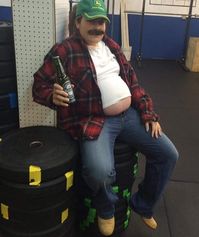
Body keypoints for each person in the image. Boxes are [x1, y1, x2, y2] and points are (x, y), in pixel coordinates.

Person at [32, 0, 179, 236]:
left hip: (129, 116)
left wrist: (148, 113)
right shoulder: (64, 50)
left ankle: (143, 204)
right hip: (94, 120)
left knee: (168, 154)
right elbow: (38, 85)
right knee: (99, 172)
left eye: (101, 21)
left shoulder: (111, 45)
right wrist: (52, 95)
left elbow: (133, 83)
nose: (98, 27)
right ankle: (106, 208)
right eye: (92, 20)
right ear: (78, 21)